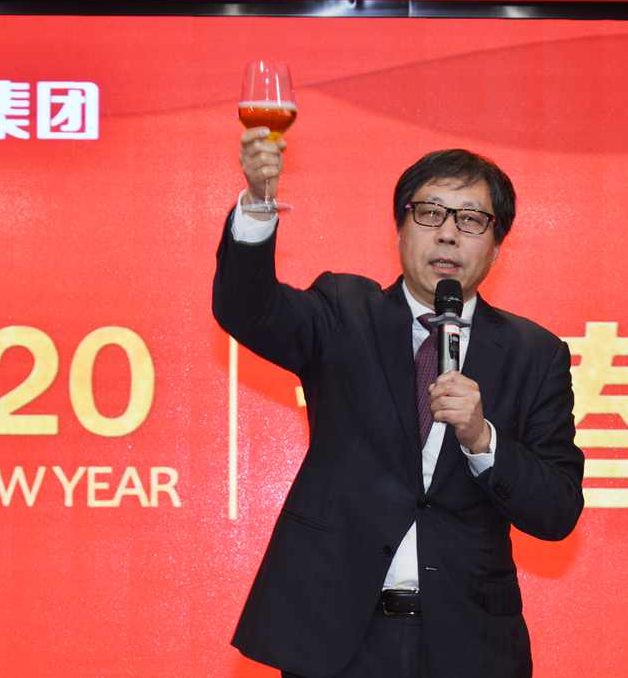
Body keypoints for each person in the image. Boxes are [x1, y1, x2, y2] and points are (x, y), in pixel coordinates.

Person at [213, 126, 584, 678]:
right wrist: (259, 204)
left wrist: (483, 439)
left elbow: (557, 511)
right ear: (401, 228)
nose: (448, 234)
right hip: (342, 639)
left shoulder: (535, 353)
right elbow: (247, 308)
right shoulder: (344, 311)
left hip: (469, 643)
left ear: (497, 246)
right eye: (430, 213)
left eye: (471, 220)